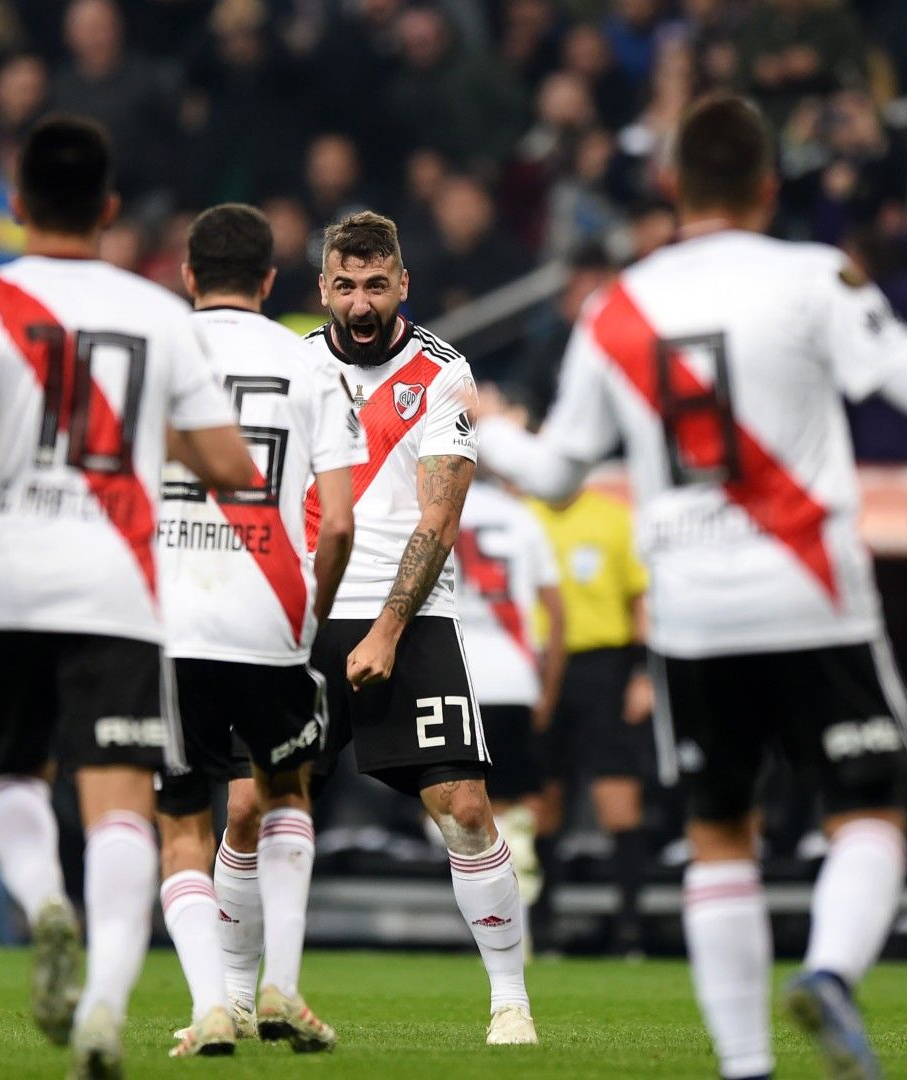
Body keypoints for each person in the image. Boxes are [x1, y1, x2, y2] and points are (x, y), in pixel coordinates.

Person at [471, 94, 907, 1080]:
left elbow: (554, 476)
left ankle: (747, 1067)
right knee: (869, 813)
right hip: (809, 594)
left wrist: (474, 424)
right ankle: (830, 972)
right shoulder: (812, 276)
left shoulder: (612, 311)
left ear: (670, 187)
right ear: (768, 185)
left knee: (719, 836)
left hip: (694, 614)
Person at [0, 114, 255, 1078]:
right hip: (115, 588)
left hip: (7, 579)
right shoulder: (156, 315)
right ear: (108, 209)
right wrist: (148, 443)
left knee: (11, 778)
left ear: (15, 206)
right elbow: (228, 462)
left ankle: (38, 898)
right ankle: (103, 1006)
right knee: (120, 809)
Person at [206, 210, 538, 1046]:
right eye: (345, 285)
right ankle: (237, 1002)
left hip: (409, 611)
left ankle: (510, 1003)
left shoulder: (442, 373)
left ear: (403, 284)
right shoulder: (289, 365)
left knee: (464, 805)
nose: (360, 302)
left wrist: (388, 629)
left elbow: (439, 518)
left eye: (376, 285)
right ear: (321, 287)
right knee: (249, 806)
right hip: (299, 612)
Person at [151, 203, 363, 1057]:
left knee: (181, 821)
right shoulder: (310, 363)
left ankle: (211, 1008)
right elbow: (340, 523)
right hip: (271, 616)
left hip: (168, 617)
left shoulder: (155, 350)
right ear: (272, 283)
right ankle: (280, 986)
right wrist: (315, 608)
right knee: (286, 794)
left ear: (188, 274)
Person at [521, 486, 653, 955]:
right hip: (537, 664)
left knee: (616, 791)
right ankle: (541, 920)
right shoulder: (524, 516)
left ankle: (630, 926)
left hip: (605, 666)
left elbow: (641, 599)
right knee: (544, 795)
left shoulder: (615, 517)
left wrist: (643, 672)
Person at [453, 477, 565, 924]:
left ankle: (487, 916)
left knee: (460, 809)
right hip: (513, 678)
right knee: (520, 807)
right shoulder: (523, 517)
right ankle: (523, 913)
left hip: (455, 676)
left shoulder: (432, 507)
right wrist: (548, 689)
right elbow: (556, 614)